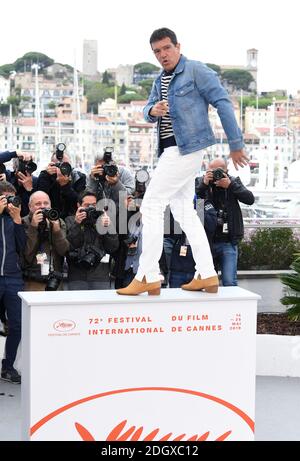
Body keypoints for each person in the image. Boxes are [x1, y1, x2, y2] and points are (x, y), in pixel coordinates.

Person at [117, 27, 248, 296]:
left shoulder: (196, 70)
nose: (163, 55)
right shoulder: (159, 80)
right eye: (157, 51)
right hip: (169, 151)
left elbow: (223, 102)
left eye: (167, 48)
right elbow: (147, 111)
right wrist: (151, 110)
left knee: (152, 205)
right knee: (183, 211)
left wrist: (236, 145)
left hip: (185, 149)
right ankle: (208, 274)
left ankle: (147, 274)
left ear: (178, 46)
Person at [196, 157, 254, 286]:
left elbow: (250, 199)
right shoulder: (201, 183)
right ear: (207, 170)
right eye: (212, 170)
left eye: (219, 170)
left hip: (227, 241)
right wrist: (204, 184)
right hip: (206, 242)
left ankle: (232, 307)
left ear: (226, 171)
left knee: (229, 281)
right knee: (208, 283)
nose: (216, 174)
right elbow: (194, 201)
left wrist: (230, 185)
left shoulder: (232, 182)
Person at [0, 181, 26, 384]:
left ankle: (8, 367)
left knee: (17, 325)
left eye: (12, 198)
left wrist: (17, 219)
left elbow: (23, 247)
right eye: (6, 198)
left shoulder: (14, 218)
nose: (10, 203)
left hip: (13, 277)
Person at [65, 191, 119, 290]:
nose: (90, 208)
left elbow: (113, 247)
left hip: (100, 276)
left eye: (94, 205)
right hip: (77, 275)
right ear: (78, 205)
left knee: (101, 305)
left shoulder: (103, 220)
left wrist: (107, 227)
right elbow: (69, 246)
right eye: (86, 205)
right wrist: (77, 224)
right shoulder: (70, 220)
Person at [22, 191, 69, 291]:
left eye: (46, 203)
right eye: (38, 204)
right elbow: (27, 254)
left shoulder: (59, 222)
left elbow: (64, 251)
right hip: (33, 279)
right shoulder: (24, 222)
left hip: (54, 280)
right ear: (30, 207)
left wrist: (56, 230)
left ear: (50, 205)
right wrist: (33, 227)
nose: (42, 206)